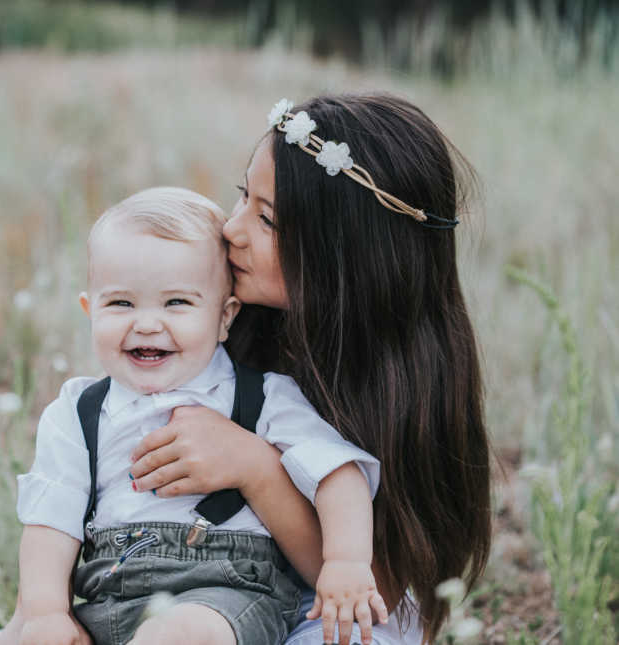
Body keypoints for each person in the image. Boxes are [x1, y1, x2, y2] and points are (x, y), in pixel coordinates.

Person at [127, 95, 492, 644]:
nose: (232, 229)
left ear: (349, 254)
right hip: (209, 600)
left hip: (340, 618)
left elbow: (377, 590)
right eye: (243, 197)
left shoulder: (403, 388)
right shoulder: (226, 327)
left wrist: (254, 466)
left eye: (268, 218)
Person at [0, 186, 387, 645]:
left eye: (176, 303)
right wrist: (46, 612)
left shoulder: (262, 397)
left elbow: (337, 474)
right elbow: (51, 520)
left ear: (225, 317)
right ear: (90, 310)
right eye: (120, 303)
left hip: (228, 596)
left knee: (180, 635)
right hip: (109, 598)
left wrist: (346, 562)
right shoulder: (78, 411)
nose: (146, 323)